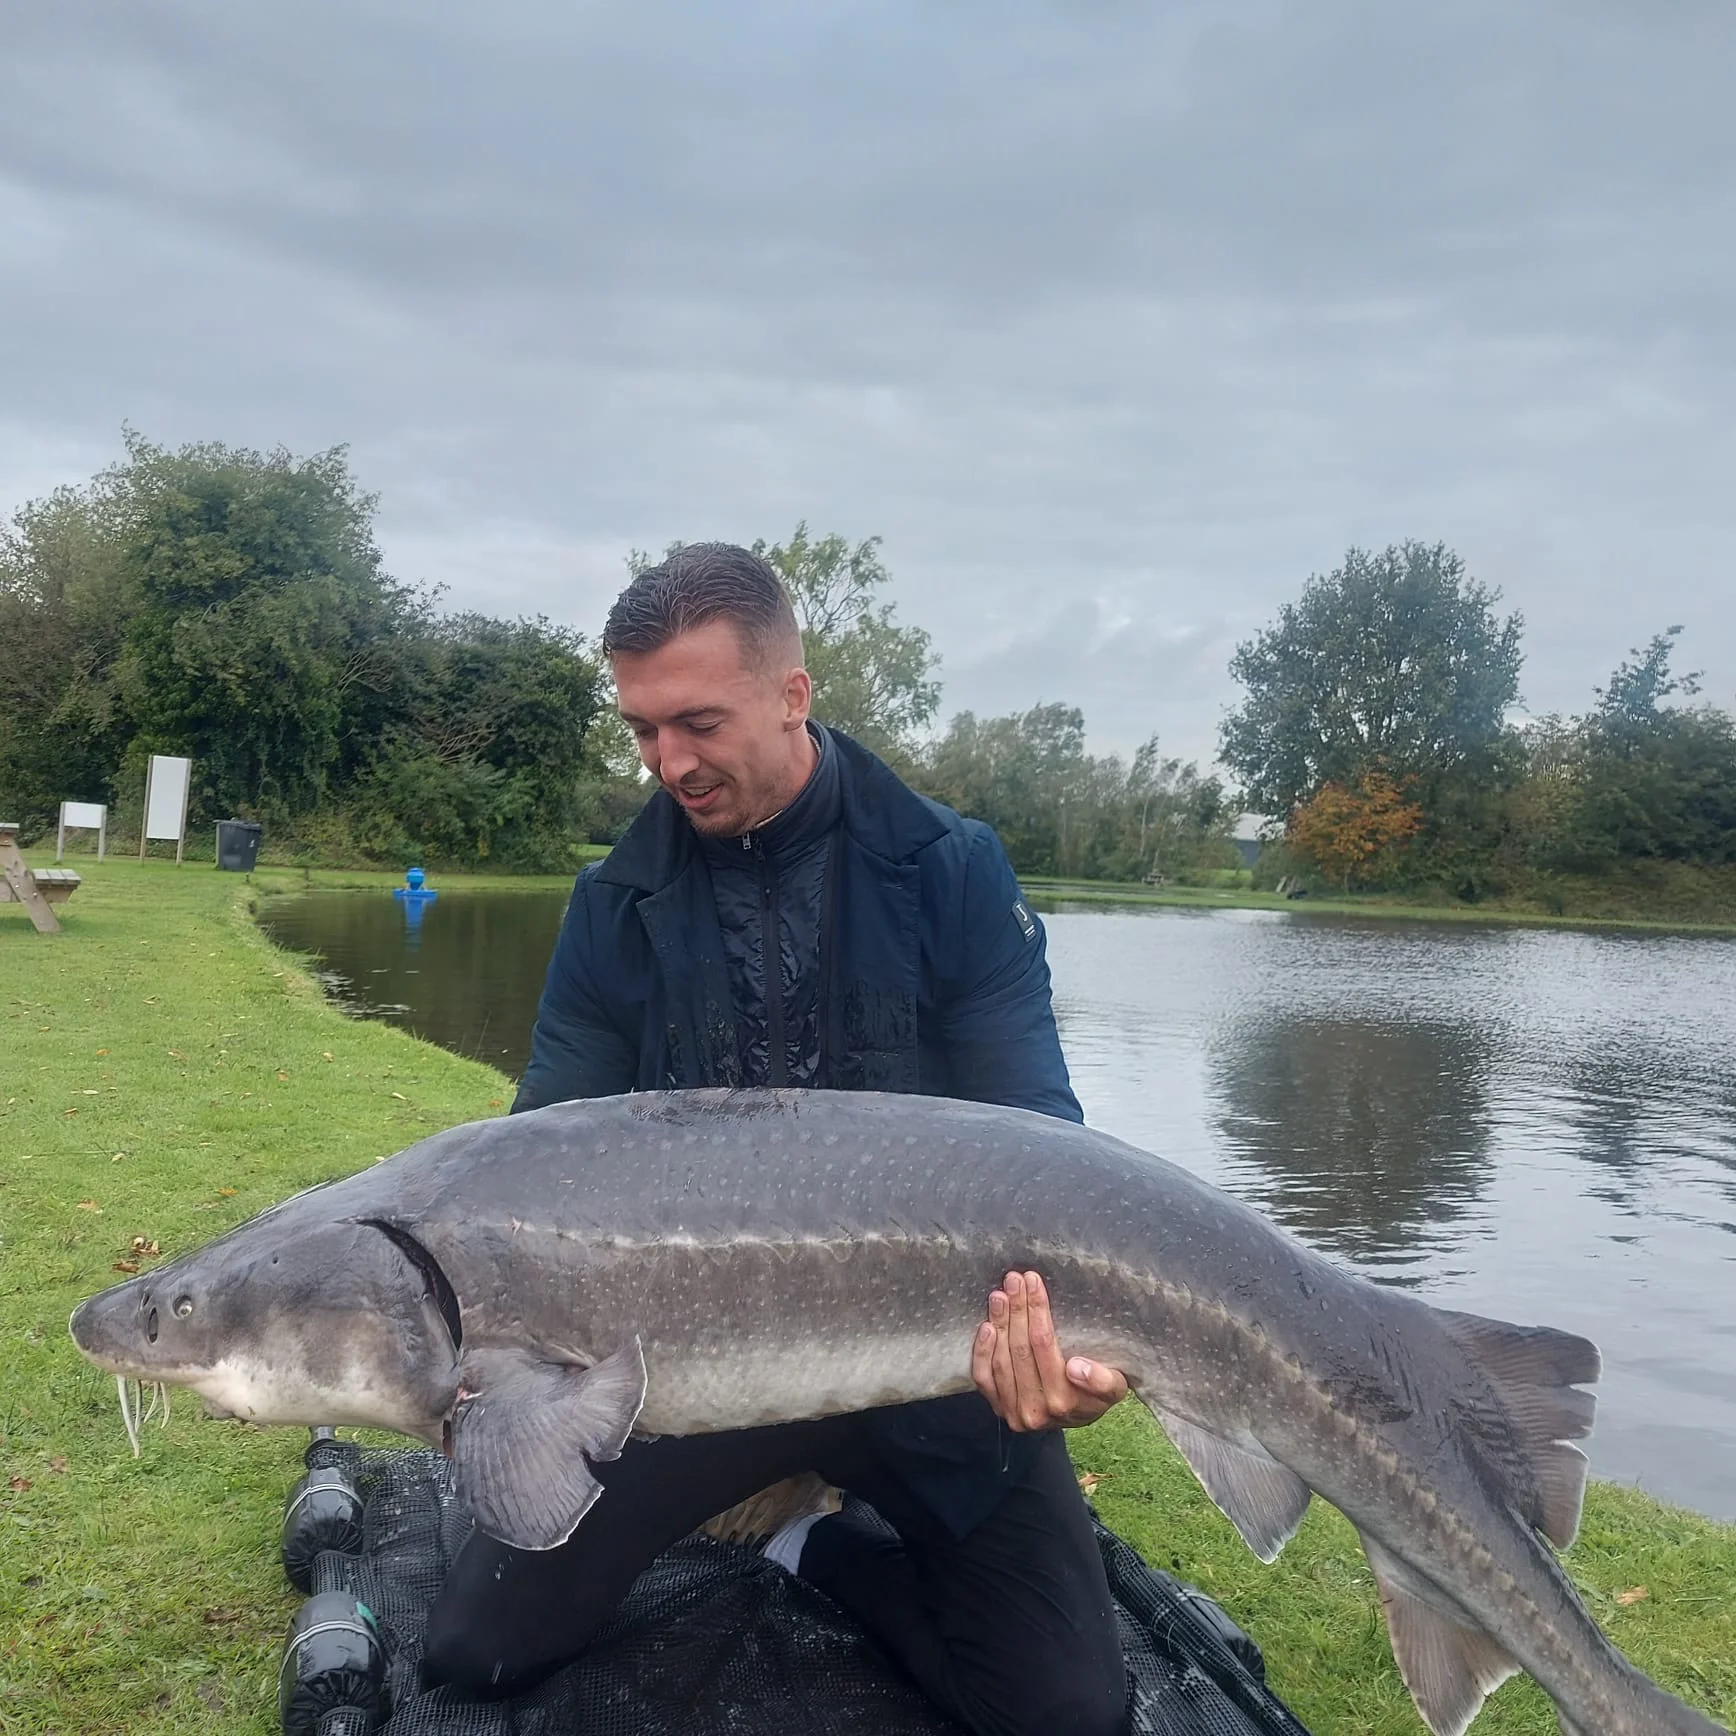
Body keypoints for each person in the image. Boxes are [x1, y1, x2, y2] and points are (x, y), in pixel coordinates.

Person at [422, 544, 1132, 1736]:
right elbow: (533, 1155)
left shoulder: (949, 870)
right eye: (642, 730)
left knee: (1065, 1716)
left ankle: (821, 1546)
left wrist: (1053, 1344)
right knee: (477, 1651)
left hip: (933, 1364)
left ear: (793, 694)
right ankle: (780, 1500)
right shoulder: (615, 903)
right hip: (685, 1366)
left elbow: (1043, 1146)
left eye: (698, 721)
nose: (668, 763)